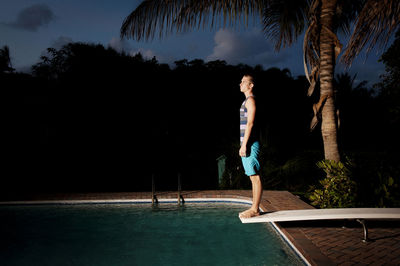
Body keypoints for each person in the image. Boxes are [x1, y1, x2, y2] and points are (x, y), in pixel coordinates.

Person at [238, 74, 262, 219]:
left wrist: (244, 145)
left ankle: (255, 209)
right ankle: (254, 207)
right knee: (252, 176)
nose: (240, 84)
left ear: (250, 85)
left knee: (255, 176)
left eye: (243, 82)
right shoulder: (247, 101)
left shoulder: (251, 100)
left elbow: (250, 123)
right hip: (247, 143)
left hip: (251, 144)